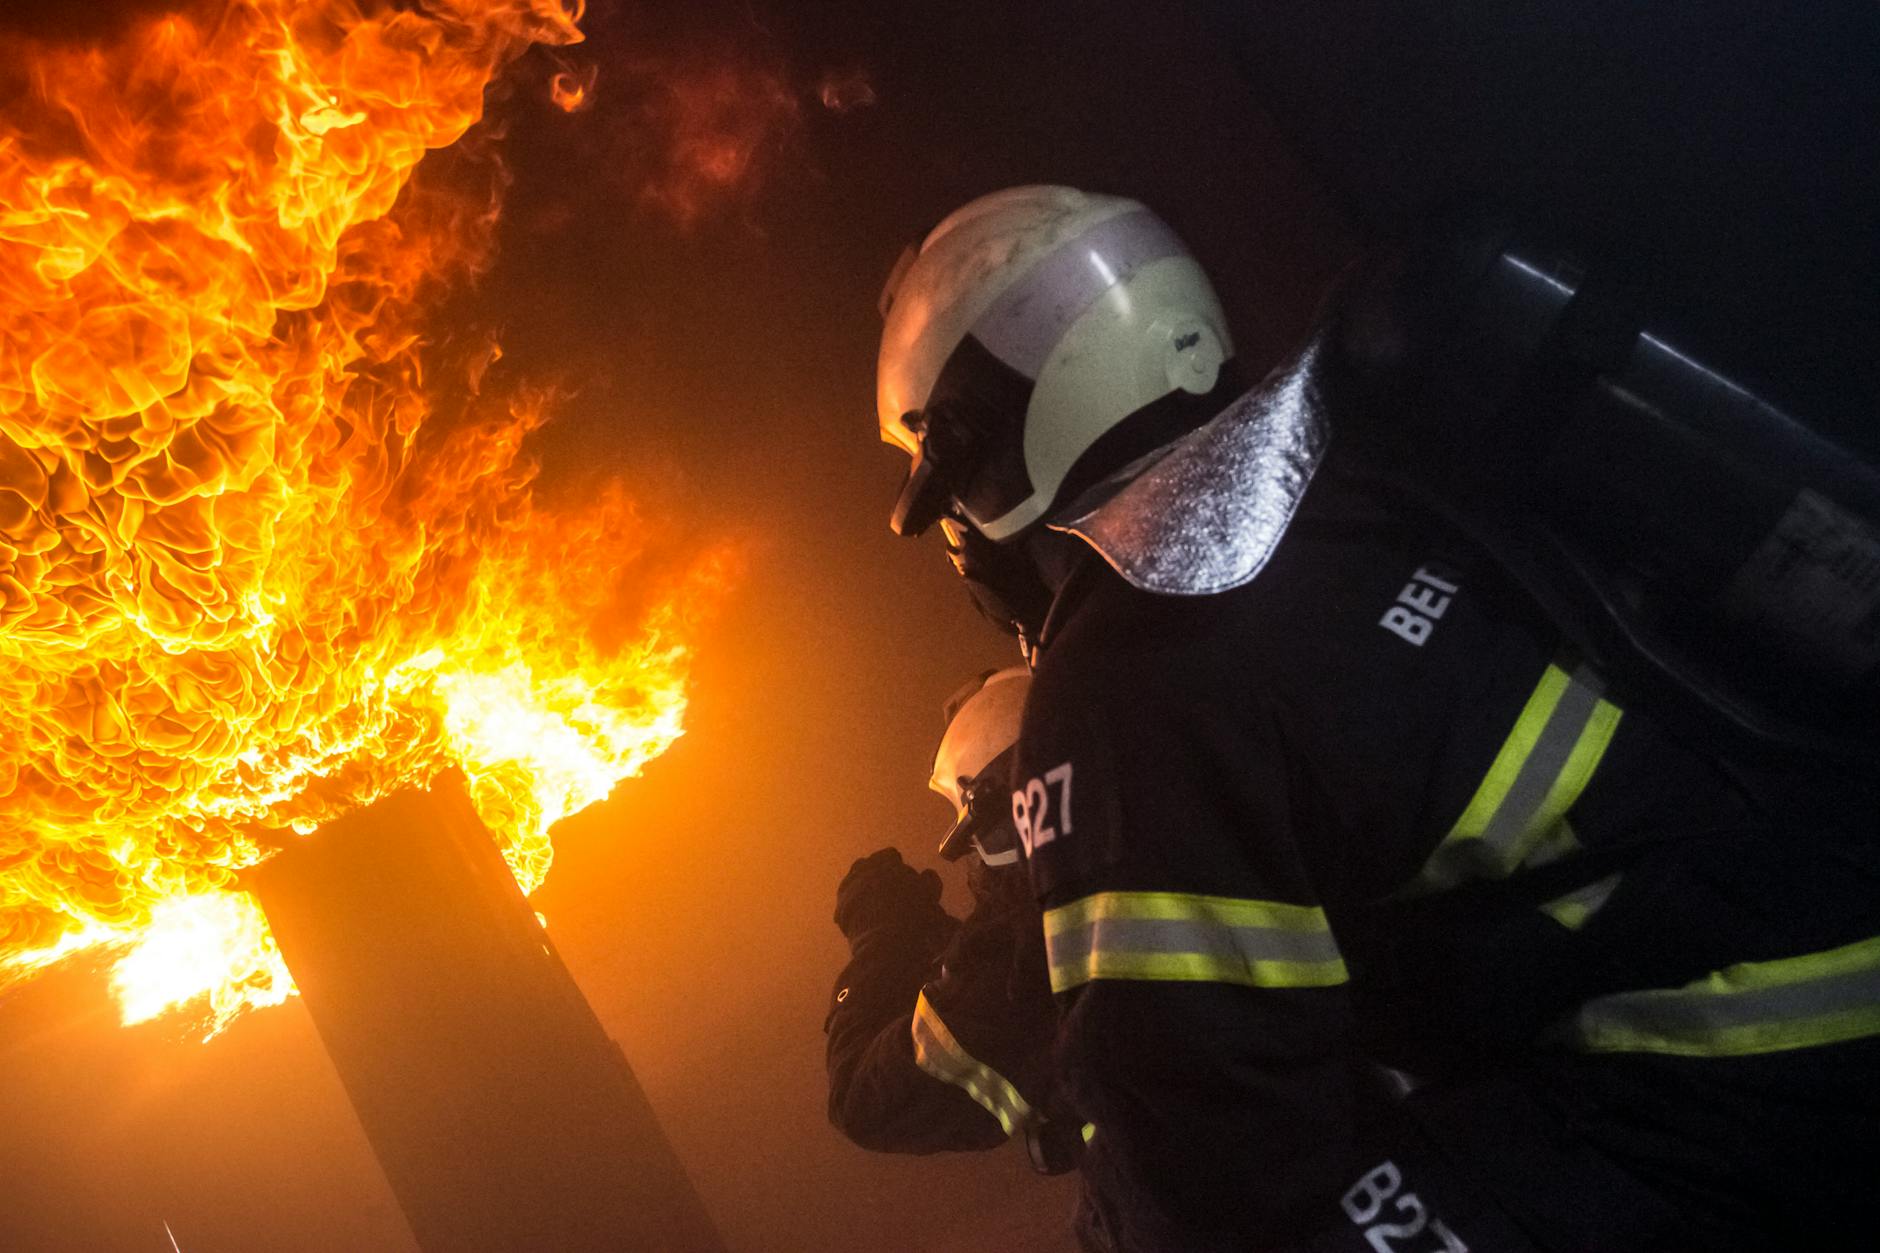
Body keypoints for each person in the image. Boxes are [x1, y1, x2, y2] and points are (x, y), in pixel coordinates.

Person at [869, 184, 1880, 1251]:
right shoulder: (1362, 456)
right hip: (1825, 899)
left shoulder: (1130, 666)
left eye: (940, 476)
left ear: (983, 438)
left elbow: (1202, 1149)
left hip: (1728, 1061)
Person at [825, 667, 1085, 1175]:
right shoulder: (1170, 840)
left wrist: (880, 939)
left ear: (1004, 812)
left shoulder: (1033, 947)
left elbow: (864, 1102)